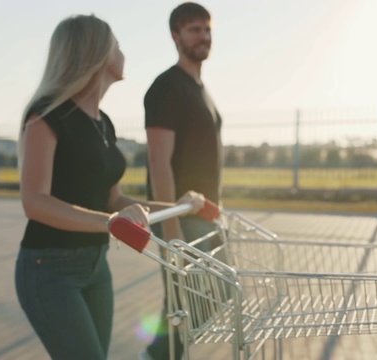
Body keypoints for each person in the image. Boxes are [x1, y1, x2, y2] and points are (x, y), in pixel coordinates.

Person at [15, 14, 205, 360]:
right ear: (96, 53)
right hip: (48, 269)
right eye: (117, 44)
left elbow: (114, 199)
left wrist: (178, 205)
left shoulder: (104, 124)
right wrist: (109, 222)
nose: (123, 52)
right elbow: (35, 202)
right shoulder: (47, 114)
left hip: (95, 265)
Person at [143, 3, 223, 359]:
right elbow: (158, 162)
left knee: (207, 298)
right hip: (183, 220)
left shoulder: (198, 87)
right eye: (193, 29)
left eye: (207, 29)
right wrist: (171, 228)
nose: (203, 36)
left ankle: (161, 354)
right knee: (185, 303)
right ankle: (158, 356)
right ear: (175, 36)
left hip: (204, 215)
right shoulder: (167, 87)